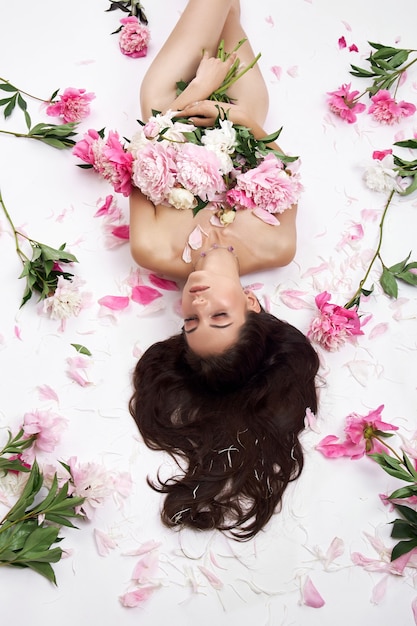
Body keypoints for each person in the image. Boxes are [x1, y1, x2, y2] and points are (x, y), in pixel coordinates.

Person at [129, 0, 320, 540]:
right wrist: (232, 117)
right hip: (241, 111)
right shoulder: (277, 246)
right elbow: (276, 157)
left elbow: (140, 153)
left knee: (168, 72)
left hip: (171, 103)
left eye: (190, 323)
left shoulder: (152, 249)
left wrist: (192, 95)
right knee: (227, 9)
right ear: (254, 307)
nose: (197, 301)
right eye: (219, 316)